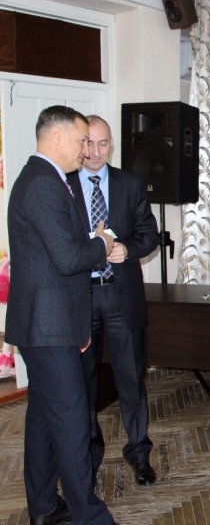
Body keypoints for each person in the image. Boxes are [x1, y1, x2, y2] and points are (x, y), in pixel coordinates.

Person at [6, 106, 117, 525]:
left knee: (42, 421)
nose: (86, 149)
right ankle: (90, 516)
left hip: (51, 325)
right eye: (81, 140)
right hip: (47, 326)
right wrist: (103, 242)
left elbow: (56, 260)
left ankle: (43, 508)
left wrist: (78, 325)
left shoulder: (48, 179)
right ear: (56, 137)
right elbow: (70, 258)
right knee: (71, 424)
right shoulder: (42, 184)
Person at [68, 115, 159, 486]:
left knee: (131, 381)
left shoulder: (130, 183)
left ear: (112, 145)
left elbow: (149, 235)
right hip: (81, 296)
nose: (95, 151)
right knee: (83, 384)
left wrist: (127, 249)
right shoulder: (64, 184)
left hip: (122, 296)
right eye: (88, 143)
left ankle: (139, 454)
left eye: (103, 143)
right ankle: (88, 459)